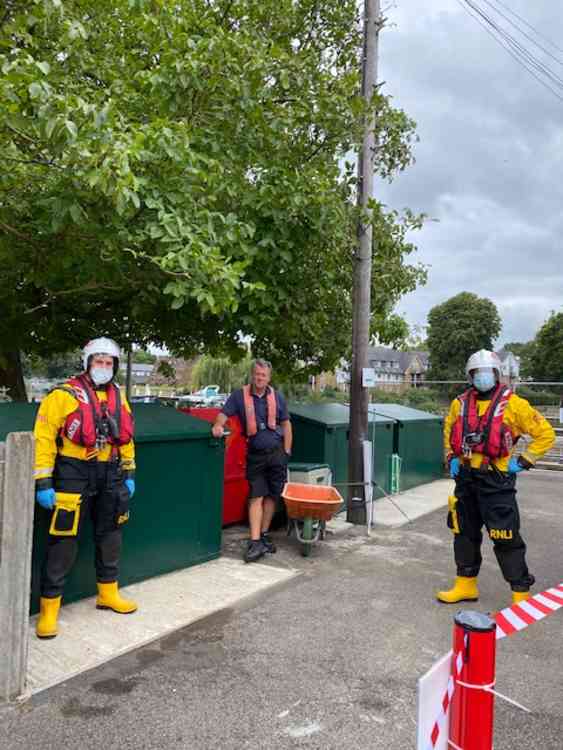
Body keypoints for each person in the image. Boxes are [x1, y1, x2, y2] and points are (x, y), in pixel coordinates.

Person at [33, 337, 138, 638]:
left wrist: (129, 471)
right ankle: (49, 611)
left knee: (111, 535)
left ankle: (108, 593)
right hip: (73, 472)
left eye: (109, 363)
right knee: (63, 542)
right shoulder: (63, 395)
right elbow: (42, 438)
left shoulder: (119, 395)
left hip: (110, 473)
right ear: (87, 363)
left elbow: (127, 436)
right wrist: (43, 481)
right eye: (98, 362)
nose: (103, 368)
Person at [437, 349, 555, 606]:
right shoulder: (460, 403)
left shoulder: (514, 404)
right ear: (470, 376)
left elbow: (546, 434)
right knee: (464, 533)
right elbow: (449, 432)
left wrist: (524, 461)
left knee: (505, 536)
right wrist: (451, 458)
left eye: (486, 373)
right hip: (466, 480)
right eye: (476, 373)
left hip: (496, 481)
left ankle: (521, 593)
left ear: (496, 374)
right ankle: (465, 585)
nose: (481, 378)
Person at [212, 359, 292, 562]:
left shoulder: (277, 397)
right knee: (256, 495)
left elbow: (286, 424)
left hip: (277, 454)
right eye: (257, 374)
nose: (260, 378)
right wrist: (218, 426)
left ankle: (264, 536)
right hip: (255, 455)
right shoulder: (239, 396)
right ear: (252, 374)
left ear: (268, 377)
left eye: (263, 375)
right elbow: (223, 415)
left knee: (272, 497)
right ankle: (255, 542)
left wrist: (287, 451)